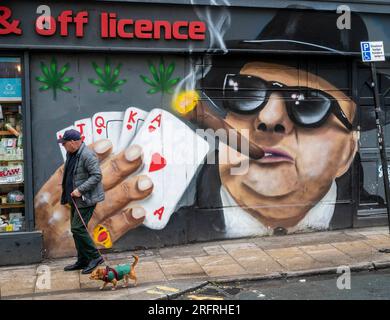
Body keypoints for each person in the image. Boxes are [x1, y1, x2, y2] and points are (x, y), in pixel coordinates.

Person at [57, 129, 105, 274]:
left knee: (78, 229)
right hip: (74, 198)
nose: (63, 146)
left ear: (73, 142)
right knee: (76, 230)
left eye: (64, 143)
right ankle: (83, 260)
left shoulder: (87, 155)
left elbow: (97, 176)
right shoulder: (71, 153)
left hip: (86, 199)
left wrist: (80, 190)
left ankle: (95, 257)